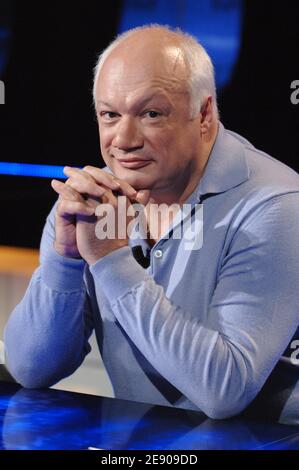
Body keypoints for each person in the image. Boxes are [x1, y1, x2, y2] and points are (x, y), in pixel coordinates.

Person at [4, 25, 299, 422]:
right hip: (140, 442)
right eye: (110, 114)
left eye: (151, 114)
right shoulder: (95, 200)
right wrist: (67, 259)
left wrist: (112, 261)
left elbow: (222, 392)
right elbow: (31, 369)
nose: (123, 140)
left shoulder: (276, 206)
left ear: (205, 114)